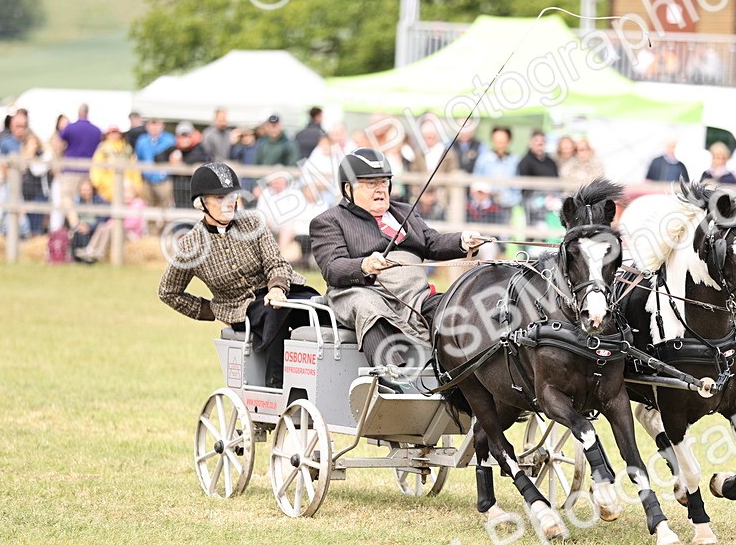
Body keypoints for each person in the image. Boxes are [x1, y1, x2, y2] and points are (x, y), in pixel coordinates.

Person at [310, 148, 487, 375]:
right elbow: (332, 267)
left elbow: (431, 242)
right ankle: (391, 376)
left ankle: (462, 376)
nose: (380, 189)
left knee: (454, 309)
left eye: (384, 182)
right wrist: (364, 265)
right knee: (368, 306)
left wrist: (462, 241)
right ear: (348, 189)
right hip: (361, 291)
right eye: (371, 184)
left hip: (415, 295)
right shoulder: (329, 220)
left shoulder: (404, 211)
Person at [158, 162, 322, 388]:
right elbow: (168, 292)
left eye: (232, 196)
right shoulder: (191, 245)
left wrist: (276, 288)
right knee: (276, 313)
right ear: (201, 203)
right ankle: (276, 384)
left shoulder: (253, 222)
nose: (228, 203)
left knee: (318, 307)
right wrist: (211, 310)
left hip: (281, 291)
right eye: (219, 198)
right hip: (244, 308)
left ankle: (323, 379)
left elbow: (275, 261)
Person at [134, 119, 176, 231]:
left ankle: (166, 234)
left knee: (166, 210)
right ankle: (152, 236)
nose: (154, 127)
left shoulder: (170, 140)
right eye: (151, 124)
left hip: (164, 180)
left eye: (156, 124)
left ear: (162, 125)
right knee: (149, 209)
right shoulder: (142, 141)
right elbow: (139, 159)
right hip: (147, 180)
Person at [473, 126, 521, 220]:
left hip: (507, 207)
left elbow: (517, 189)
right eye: (497, 142)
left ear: (509, 141)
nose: (499, 145)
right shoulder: (484, 159)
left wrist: (511, 200)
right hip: (486, 209)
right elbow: (475, 182)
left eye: (502, 142)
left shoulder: (514, 160)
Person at [517, 129, 559, 225]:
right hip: (533, 202)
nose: (540, 144)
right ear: (530, 143)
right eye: (537, 141)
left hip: (552, 200)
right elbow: (525, 186)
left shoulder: (551, 162)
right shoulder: (525, 162)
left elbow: (556, 181)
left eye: (542, 141)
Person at [68, 178, 110, 263]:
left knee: (85, 235)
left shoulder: (99, 201)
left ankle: (88, 257)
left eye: (88, 190)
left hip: (94, 228)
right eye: (83, 190)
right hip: (81, 227)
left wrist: (90, 227)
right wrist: (79, 226)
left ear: (92, 189)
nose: (86, 192)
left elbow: (102, 219)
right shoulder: (77, 201)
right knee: (77, 234)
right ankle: (76, 258)